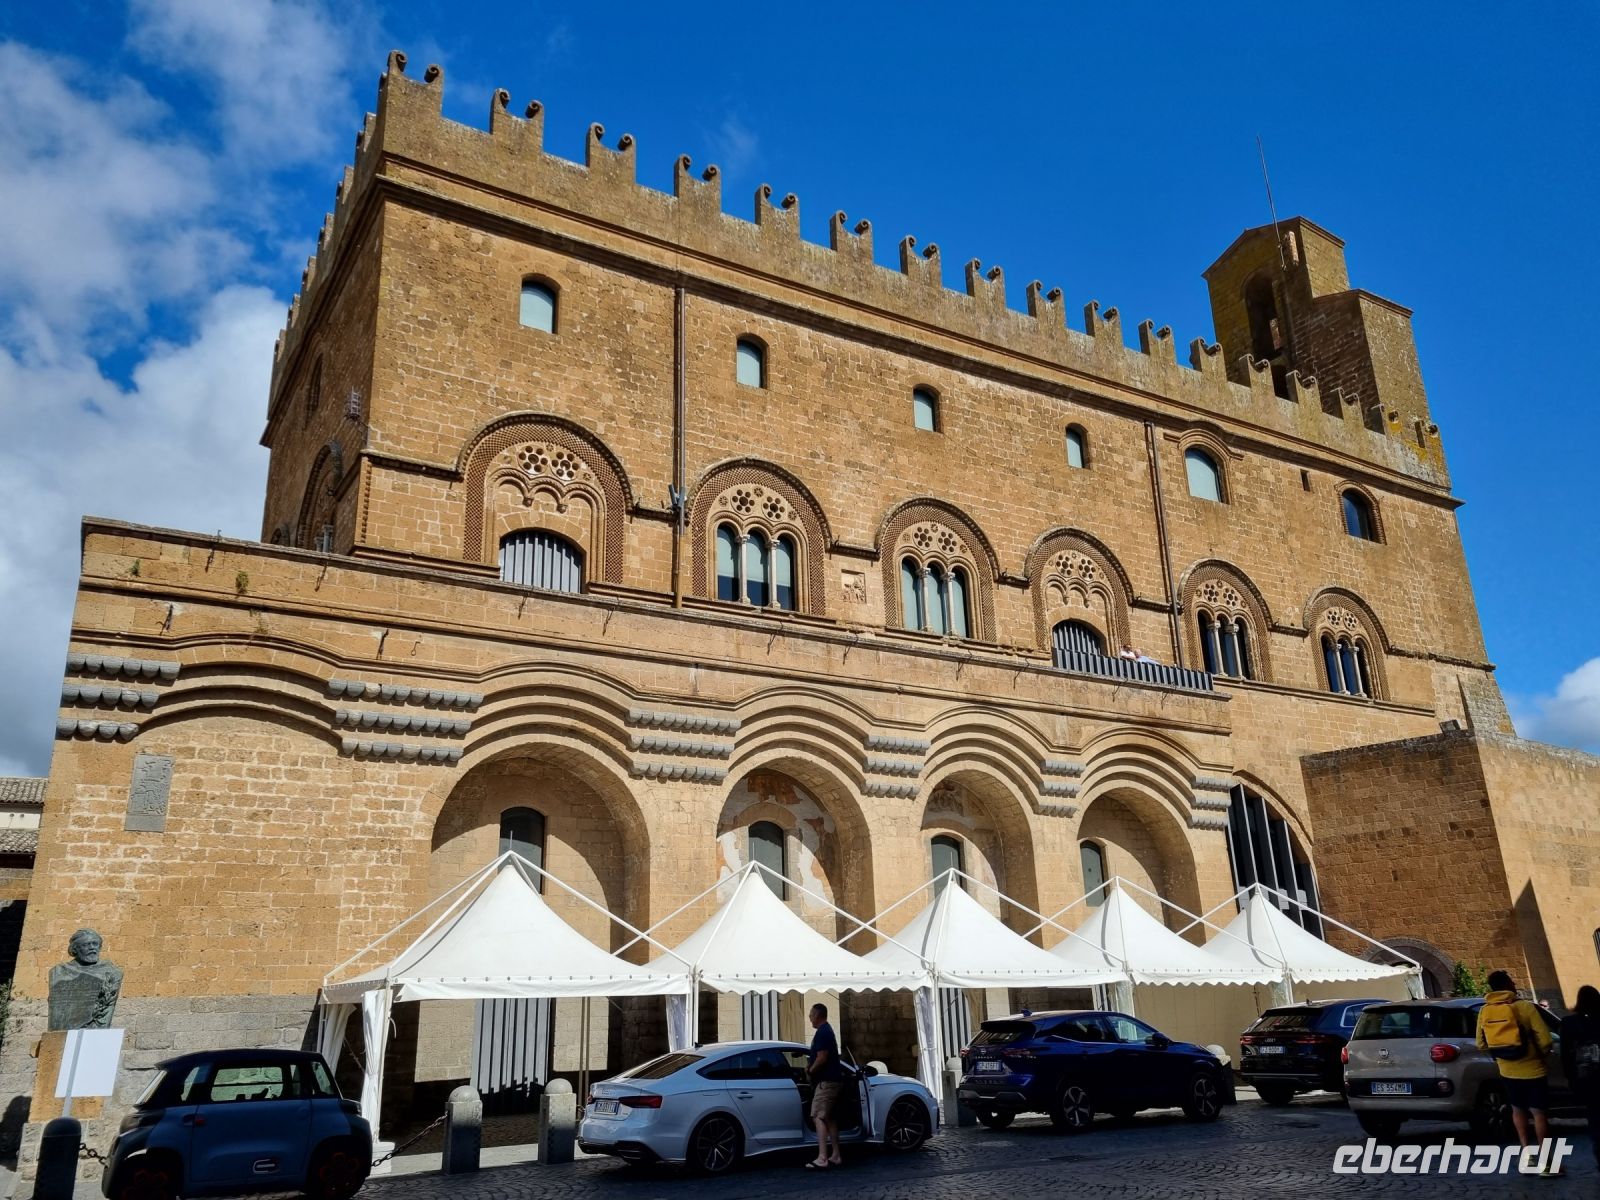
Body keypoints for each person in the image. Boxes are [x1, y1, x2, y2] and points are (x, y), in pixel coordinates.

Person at [1475, 969, 1556, 1171]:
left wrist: (1502, 1054)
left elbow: (1481, 1044)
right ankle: (1546, 1162)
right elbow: (1545, 1039)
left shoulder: (1485, 1011)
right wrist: (1541, 1053)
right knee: (1538, 1113)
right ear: (1509, 985)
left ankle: (1526, 1155)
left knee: (1518, 1110)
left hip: (1507, 1070)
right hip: (1533, 1068)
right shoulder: (1525, 1007)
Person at [1560, 984, 1600, 1168]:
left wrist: (1571, 1079)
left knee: (1594, 1118)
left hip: (1586, 1078)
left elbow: (1565, 1055)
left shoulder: (1569, 1024)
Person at [805, 1002, 844, 1169]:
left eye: (811, 1015)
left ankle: (822, 1157)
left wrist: (810, 1071)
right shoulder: (827, 1031)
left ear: (818, 1016)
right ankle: (836, 1155)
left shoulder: (822, 1033)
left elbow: (822, 1057)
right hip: (833, 1081)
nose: (809, 1018)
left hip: (826, 1082)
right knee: (829, 1118)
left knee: (818, 1116)